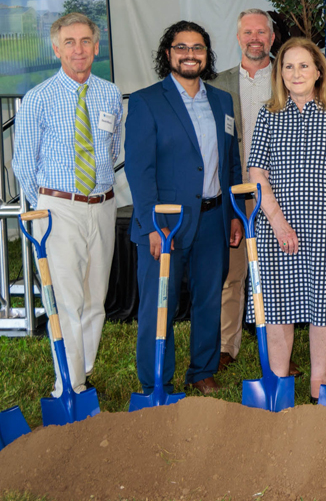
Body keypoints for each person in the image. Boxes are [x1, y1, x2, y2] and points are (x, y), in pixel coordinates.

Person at [246, 37, 326, 402]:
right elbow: (257, 172)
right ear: (279, 74)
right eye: (288, 66)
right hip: (276, 226)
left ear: (319, 72)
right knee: (278, 306)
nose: (296, 73)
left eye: (304, 66)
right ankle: (278, 383)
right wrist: (278, 222)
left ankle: (319, 382)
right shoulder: (269, 114)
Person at [124, 21, 244, 395]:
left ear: (207, 56)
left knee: (209, 298)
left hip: (214, 218)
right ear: (168, 54)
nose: (190, 54)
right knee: (161, 302)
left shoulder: (222, 100)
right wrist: (151, 224)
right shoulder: (147, 101)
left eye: (198, 48)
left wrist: (235, 212)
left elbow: (231, 160)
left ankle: (203, 370)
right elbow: (138, 169)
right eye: (182, 47)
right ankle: (155, 379)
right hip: (166, 224)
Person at [12, 12, 122, 397]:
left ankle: (82, 374)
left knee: (96, 298)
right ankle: (66, 386)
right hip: (58, 209)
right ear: (56, 49)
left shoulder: (110, 93)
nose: (79, 50)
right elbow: (23, 163)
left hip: (103, 205)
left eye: (86, 41)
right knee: (68, 299)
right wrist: (41, 208)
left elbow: (112, 149)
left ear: (96, 46)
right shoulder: (38, 98)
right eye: (70, 43)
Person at [207, 8, 292, 374]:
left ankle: (279, 354)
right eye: (248, 32)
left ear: (272, 39)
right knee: (233, 274)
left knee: (282, 272)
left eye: (262, 32)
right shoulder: (218, 84)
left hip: (285, 192)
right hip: (237, 192)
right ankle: (228, 345)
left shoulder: (291, 76)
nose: (255, 38)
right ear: (238, 37)